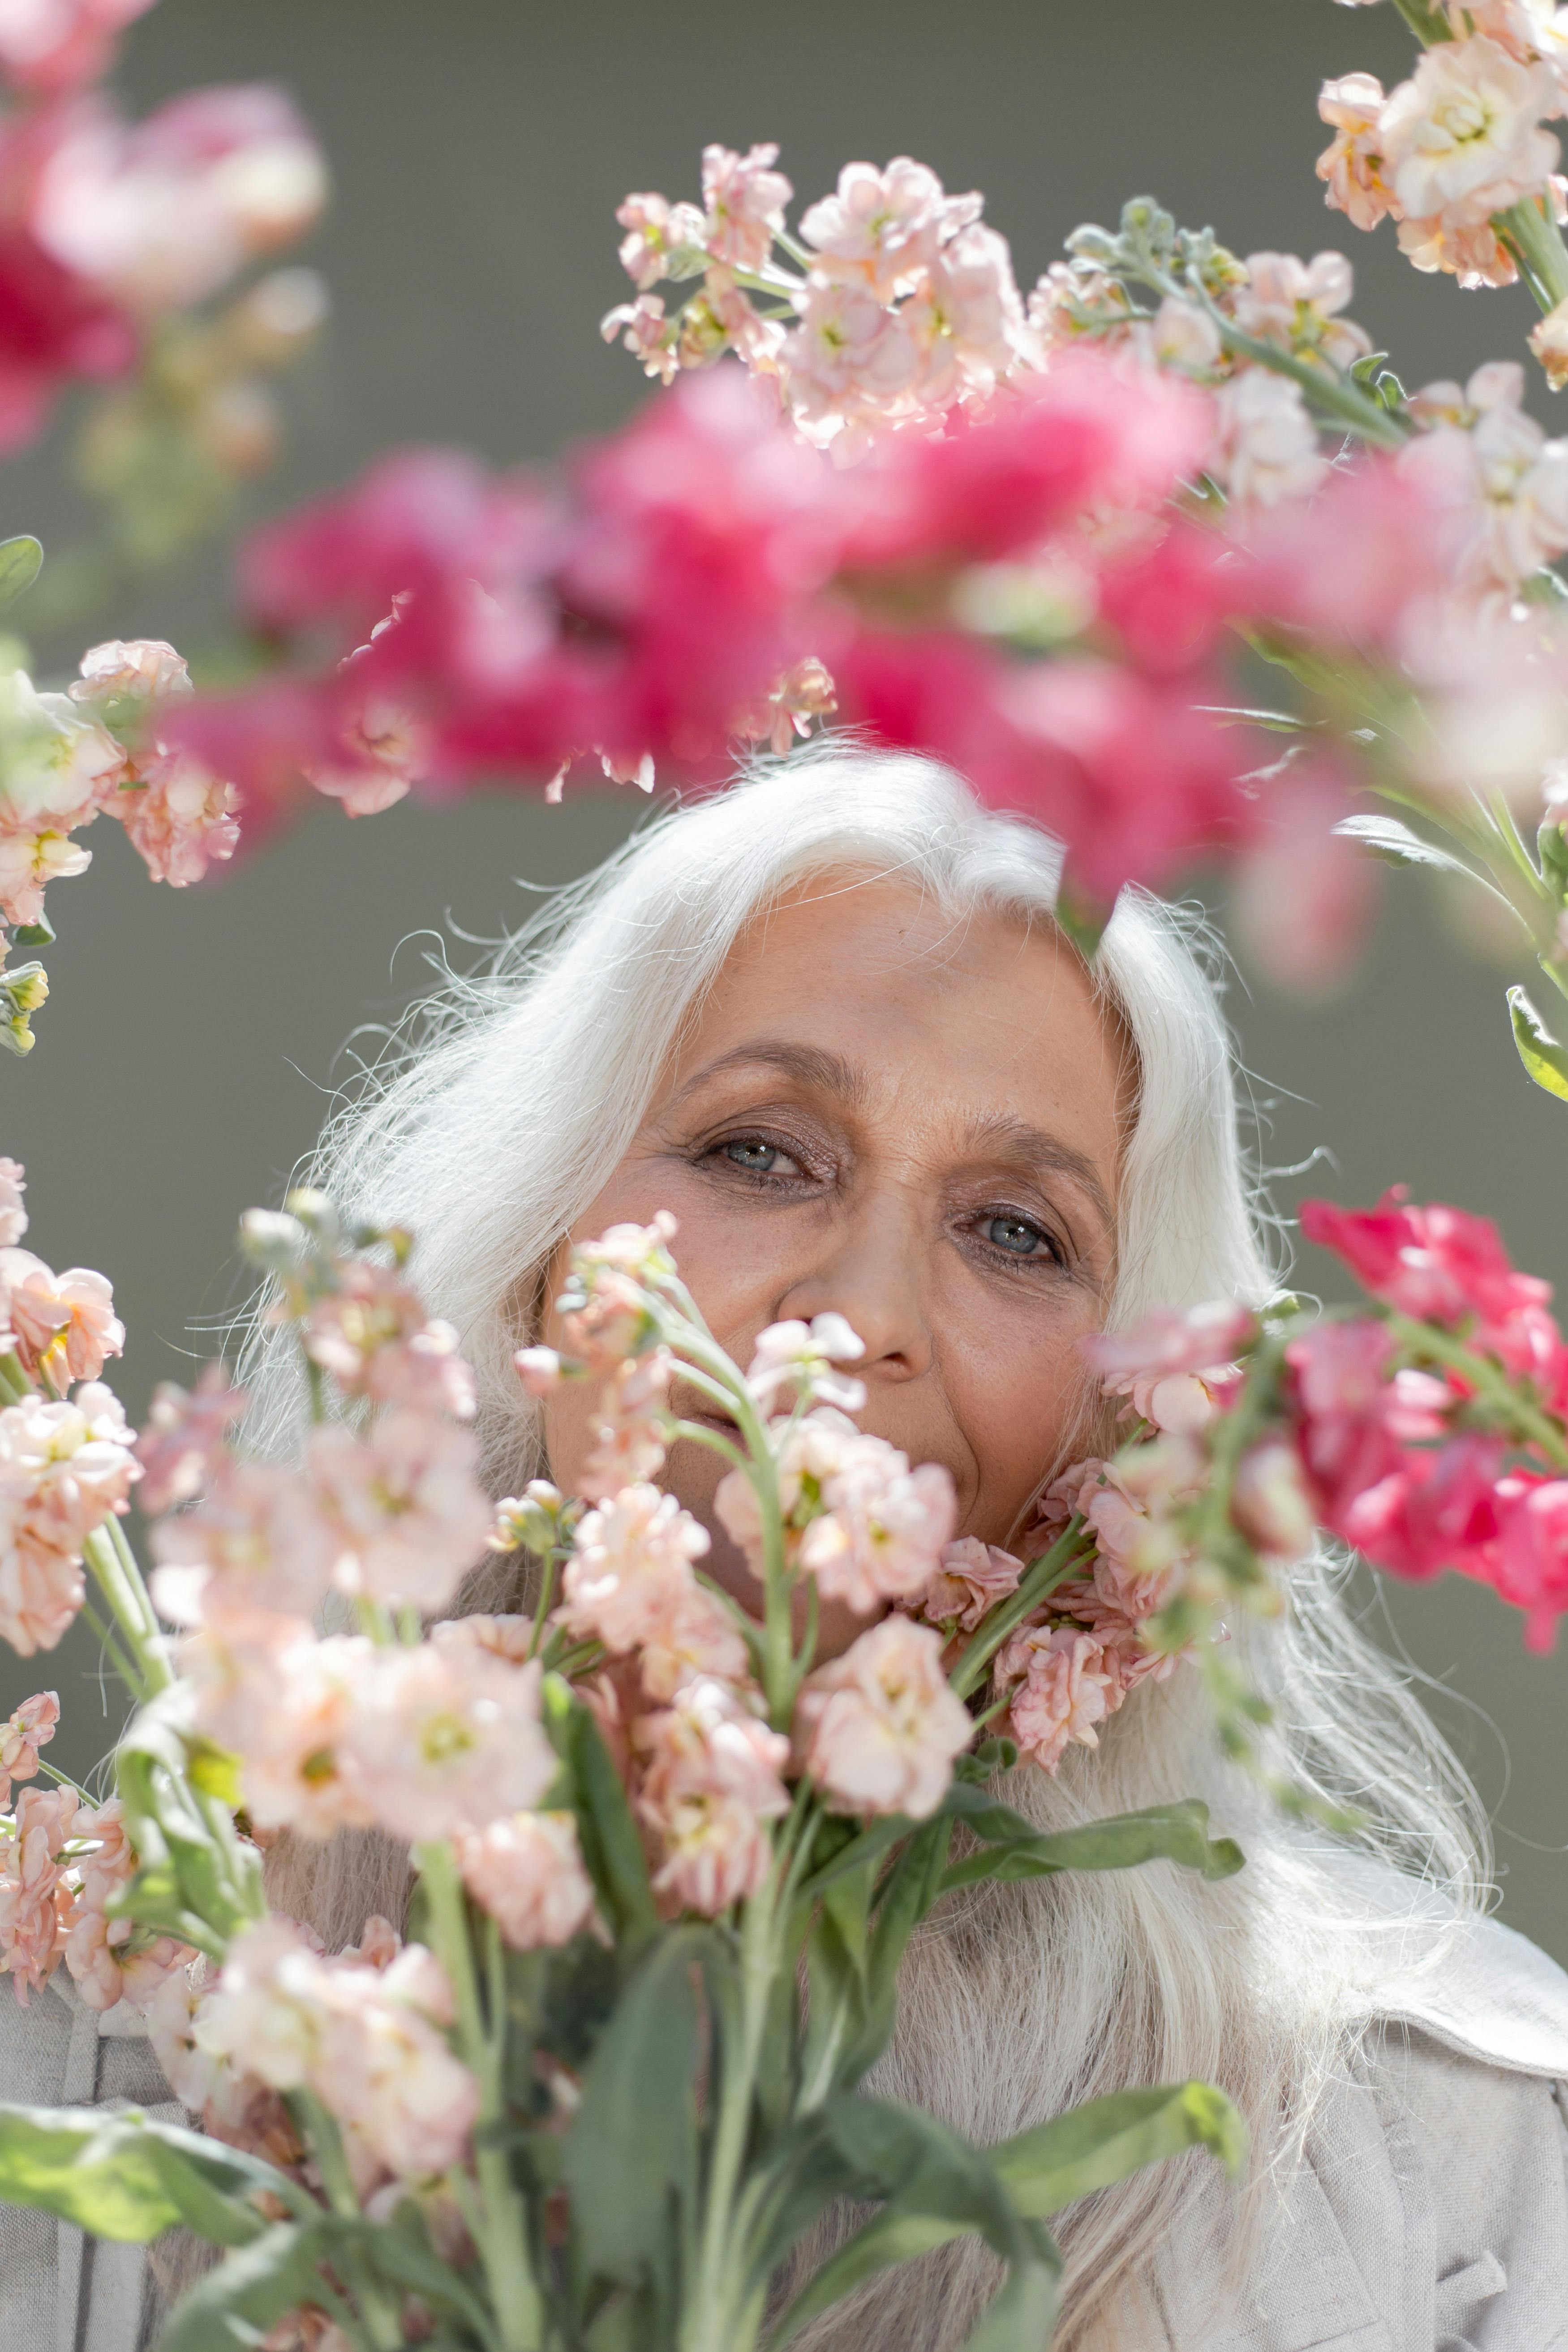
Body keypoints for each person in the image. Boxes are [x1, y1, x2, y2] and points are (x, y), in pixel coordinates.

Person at [7, 743, 1568, 2352]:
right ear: (535, 1260)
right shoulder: (107, 2035)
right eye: (762, 1150)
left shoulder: (1433, 2157)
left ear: (1129, 1428)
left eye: (1016, 1231)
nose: (869, 1314)